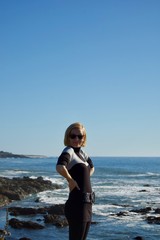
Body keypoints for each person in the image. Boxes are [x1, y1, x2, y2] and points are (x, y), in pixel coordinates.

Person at [56, 122, 95, 240]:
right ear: (68, 136)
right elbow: (59, 167)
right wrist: (70, 180)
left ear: (84, 138)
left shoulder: (82, 153)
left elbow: (92, 167)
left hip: (87, 204)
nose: (76, 139)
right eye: (73, 136)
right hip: (77, 204)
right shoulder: (69, 151)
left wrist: (85, 176)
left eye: (80, 136)